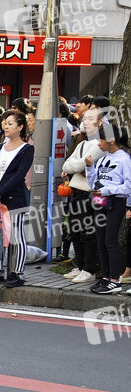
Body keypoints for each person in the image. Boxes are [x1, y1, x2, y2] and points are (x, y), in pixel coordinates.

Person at [0, 110, 34, 288]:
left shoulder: (27, 149)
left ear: (20, 127)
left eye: (10, 123)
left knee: (16, 236)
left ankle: (17, 272)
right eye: (5, 123)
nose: (6, 126)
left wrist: (0, 192)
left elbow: (19, 175)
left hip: (15, 198)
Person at [61, 107, 106, 285]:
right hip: (75, 191)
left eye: (90, 119)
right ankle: (80, 265)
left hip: (89, 193)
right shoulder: (81, 144)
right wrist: (77, 165)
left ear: (100, 122)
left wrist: (78, 165)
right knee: (74, 231)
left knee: (88, 232)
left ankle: (89, 268)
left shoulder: (100, 145)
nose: (85, 122)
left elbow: (80, 165)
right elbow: (67, 165)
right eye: (84, 119)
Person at [85, 125, 131, 295]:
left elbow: (128, 187)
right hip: (100, 202)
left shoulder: (124, 159)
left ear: (111, 140)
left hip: (115, 202)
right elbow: (93, 182)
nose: (98, 144)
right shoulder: (103, 159)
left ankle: (115, 280)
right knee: (101, 241)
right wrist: (89, 167)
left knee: (110, 241)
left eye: (101, 140)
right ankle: (105, 278)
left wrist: (106, 191)